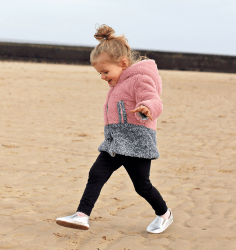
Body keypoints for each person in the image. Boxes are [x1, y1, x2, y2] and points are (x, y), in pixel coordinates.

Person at [56, 24, 173, 234]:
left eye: (105, 71)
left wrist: (147, 108)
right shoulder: (117, 84)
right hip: (114, 142)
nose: (102, 77)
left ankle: (164, 214)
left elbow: (154, 99)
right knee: (96, 174)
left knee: (142, 186)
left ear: (123, 63)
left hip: (137, 143)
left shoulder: (140, 79)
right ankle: (82, 215)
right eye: (99, 73)